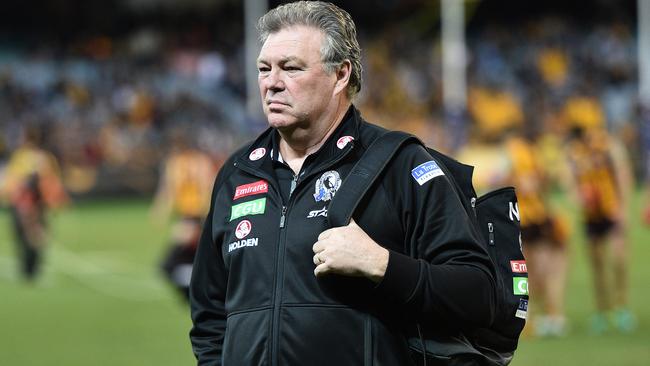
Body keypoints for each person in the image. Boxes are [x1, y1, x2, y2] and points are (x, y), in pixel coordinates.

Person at [189, 2, 496, 365]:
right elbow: (209, 317)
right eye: (264, 69)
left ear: (341, 75)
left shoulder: (401, 165)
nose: (272, 82)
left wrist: (382, 264)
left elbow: (479, 295)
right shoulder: (237, 173)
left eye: (291, 68)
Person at [564, 123, 636, 334]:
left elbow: (623, 175)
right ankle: (602, 310)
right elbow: (569, 180)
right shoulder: (574, 153)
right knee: (597, 264)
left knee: (618, 258)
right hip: (590, 215)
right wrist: (577, 197)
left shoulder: (610, 147)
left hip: (612, 209)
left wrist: (623, 208)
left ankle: (621, 307)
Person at [151, 130, 218, 301]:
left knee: (169, 263)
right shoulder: (179, 162)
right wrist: (161, 210)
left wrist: (205, 218)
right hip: (188, 216)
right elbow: (169, 189)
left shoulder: (195, 162)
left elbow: (208, 187)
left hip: (196, 217)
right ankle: (199, 294)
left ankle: (196, 295)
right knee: (189, 259)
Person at [0, 126, 67, 281]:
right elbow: (53, 181)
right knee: (36, 235)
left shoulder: (21, 156)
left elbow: (12, 181)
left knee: (24, 236)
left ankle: (28, 270)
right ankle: (34, 269)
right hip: (37, 204)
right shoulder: (46, 157)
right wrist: (56, 202)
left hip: (22, 203)